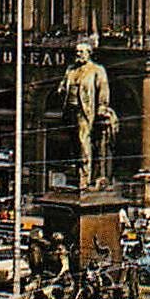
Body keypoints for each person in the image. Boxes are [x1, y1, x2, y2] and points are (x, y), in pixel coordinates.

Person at [60, 39, 112, 189]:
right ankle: (75, 172)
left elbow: (103, 89)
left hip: (85, 110)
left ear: (89, 53)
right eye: (77, 52)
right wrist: (62, 90)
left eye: (81, 52)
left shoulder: (97, 70)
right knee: (74, 143)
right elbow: (63, 85)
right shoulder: (71, 70)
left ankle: (85, 176)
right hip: (70, 110)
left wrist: (102, 106)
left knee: (84, 141)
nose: (78, 54)